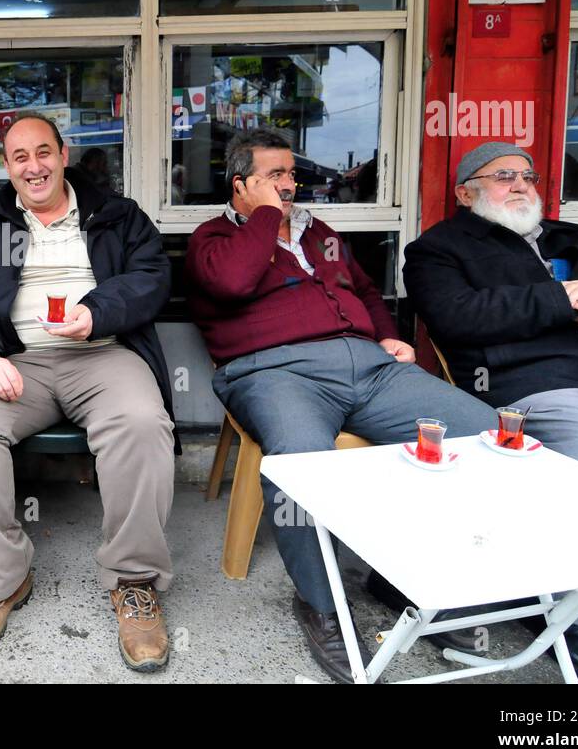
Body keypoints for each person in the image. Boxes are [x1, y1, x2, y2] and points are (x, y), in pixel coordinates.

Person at [185, 129, 497, 683]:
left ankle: (412, 578)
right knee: (303, 464)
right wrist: (263, 218)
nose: (289, 185)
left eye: (291, 175)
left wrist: (385, 335)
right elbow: (232, 284)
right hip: (272, 371)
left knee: (482, 431)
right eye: (274, 176)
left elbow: (367, 292)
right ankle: (322, 604)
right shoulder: (210, 237)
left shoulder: (320, 233)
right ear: (241, 184)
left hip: (368, 365)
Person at [404, 140, 578, 682]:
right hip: (536, 385)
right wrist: (564, 298)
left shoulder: (576, 238)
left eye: (528, 176)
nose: (521, 184)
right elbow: (457, 317)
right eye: (503, 175)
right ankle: (563, 609)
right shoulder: (440, 249)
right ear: (466, 192)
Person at [0, 112, 177, 672]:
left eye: (43, 152)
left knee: (142, 421)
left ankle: (133, 580)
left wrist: (96, 314)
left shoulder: (117, 215)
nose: (33, 166)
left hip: (105, 354)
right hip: (21, 361)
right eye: (19, 157)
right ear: (7, 166)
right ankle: (1, 579)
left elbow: (151, 277)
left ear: (63, 155)